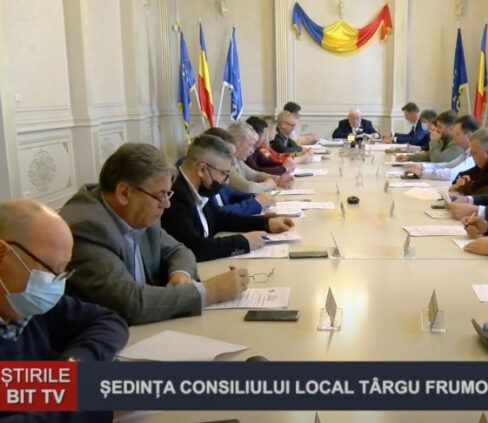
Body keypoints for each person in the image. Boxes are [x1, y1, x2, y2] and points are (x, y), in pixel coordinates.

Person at [60, 143, 251, 325]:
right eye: (161, 195)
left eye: (168, 194)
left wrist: (180, 275)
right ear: (124, 193)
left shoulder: (139, 210)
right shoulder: (86, 228)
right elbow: (130, 303)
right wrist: (210, 291)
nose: (166, 204)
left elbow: (179, 250)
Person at [0, 200, 127, 423]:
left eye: (62, 272)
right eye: (49, 269)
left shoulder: (29, 303)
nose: (55, 284)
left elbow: (108, 321)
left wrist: (75, 364)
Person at [161, 134, 294, 262]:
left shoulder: (197, 187)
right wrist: (244, 242)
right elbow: (194, 248)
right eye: (224, 173)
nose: (227, 181)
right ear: (202, 169)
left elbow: (221, 218)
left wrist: (266, 223)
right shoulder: (174, 196)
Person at [403, 115, 478, 180]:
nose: (454, 137)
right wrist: (422, 166)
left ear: (469, 136)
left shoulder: (474, 154)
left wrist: (422, 173)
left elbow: (451, 173)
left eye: (457, 134)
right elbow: (447, 165)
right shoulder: (466, 151)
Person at [227, 122, 294, 193]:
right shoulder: (226, 162)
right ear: (237, 141)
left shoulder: (238, 160)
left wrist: (278, 179)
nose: (252, 151)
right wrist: (268, 185)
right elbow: (248, 188)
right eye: (250, 145)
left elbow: (255, 175)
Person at [396, 111, 465, 164]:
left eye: (440, 127)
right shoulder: (445, 139)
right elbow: (430, 155)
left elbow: (438, 161)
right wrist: (408, 157)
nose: (437, 130)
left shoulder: (457, 143)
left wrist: (434, 142)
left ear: (451, 128)